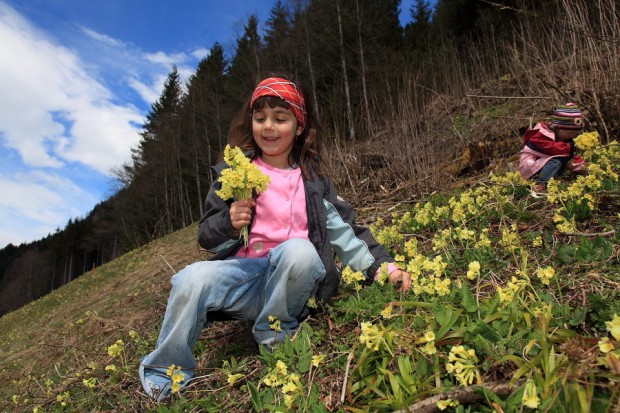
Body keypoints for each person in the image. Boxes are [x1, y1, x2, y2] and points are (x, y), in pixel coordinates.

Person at [139, 75, 412, 401]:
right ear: (250, 122)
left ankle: (274, 330)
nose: (268, 126)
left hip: (294, 283)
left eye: (280, 119)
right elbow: (206, 238)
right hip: (246, 279)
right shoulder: (235, 173)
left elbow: (347, 233)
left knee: (300, 250)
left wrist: (384, 268)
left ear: (298, 128)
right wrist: (229, 222)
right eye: (260, 118)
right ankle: (164, 371)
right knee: (189, 279)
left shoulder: (313, 181)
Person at [518, 102, 586, 192]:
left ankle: (550, 182)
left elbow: (572, 158)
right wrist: (569, 148)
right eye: (570, 133)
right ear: (558, 128)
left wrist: (583, 167)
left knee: (562, 158)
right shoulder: (540, 135)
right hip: (531, 167)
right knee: (557, 160)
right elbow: (552, 149)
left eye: (575, 134)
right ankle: (539, 183)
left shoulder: (563, 140)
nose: (572, 136)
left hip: (541, 165)